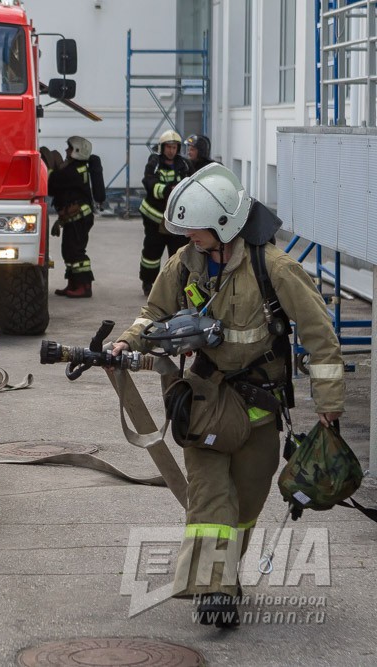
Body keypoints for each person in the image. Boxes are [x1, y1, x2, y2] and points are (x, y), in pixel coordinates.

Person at [111, 163, 345, 627]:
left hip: (259, 405)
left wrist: (329, 406)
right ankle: (213, 589)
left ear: (223, 224)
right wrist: (127, 340)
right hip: (204, 400)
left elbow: (321, 337)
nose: (189, 239)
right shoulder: (185, 263)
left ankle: (225, 574)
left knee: (248, 500)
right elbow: (153, 311)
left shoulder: (275, 268)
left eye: (196, 231)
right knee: (211, 493)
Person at [47, 136, 105, 298]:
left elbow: (52, 185)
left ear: (78, 151)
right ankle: (72, 283)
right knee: (68, 251)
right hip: (74, 218)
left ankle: (84, 286)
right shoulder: (76, 168)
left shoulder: (73, 171)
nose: (66, 151)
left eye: (69, 149)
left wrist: (49, 169)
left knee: (76, 252)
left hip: (79, 217)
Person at [138, 130, 190, 295]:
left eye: (174, 147)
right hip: (154, 217)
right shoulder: (154, 162)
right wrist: (169, 189)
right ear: (162, 147)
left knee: (178, 253)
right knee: (152, 253)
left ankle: (177, 285)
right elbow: (149, 183)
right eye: (168, 147)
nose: (171, 151)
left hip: (176, 218)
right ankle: (148, 282)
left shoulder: (185, 164)